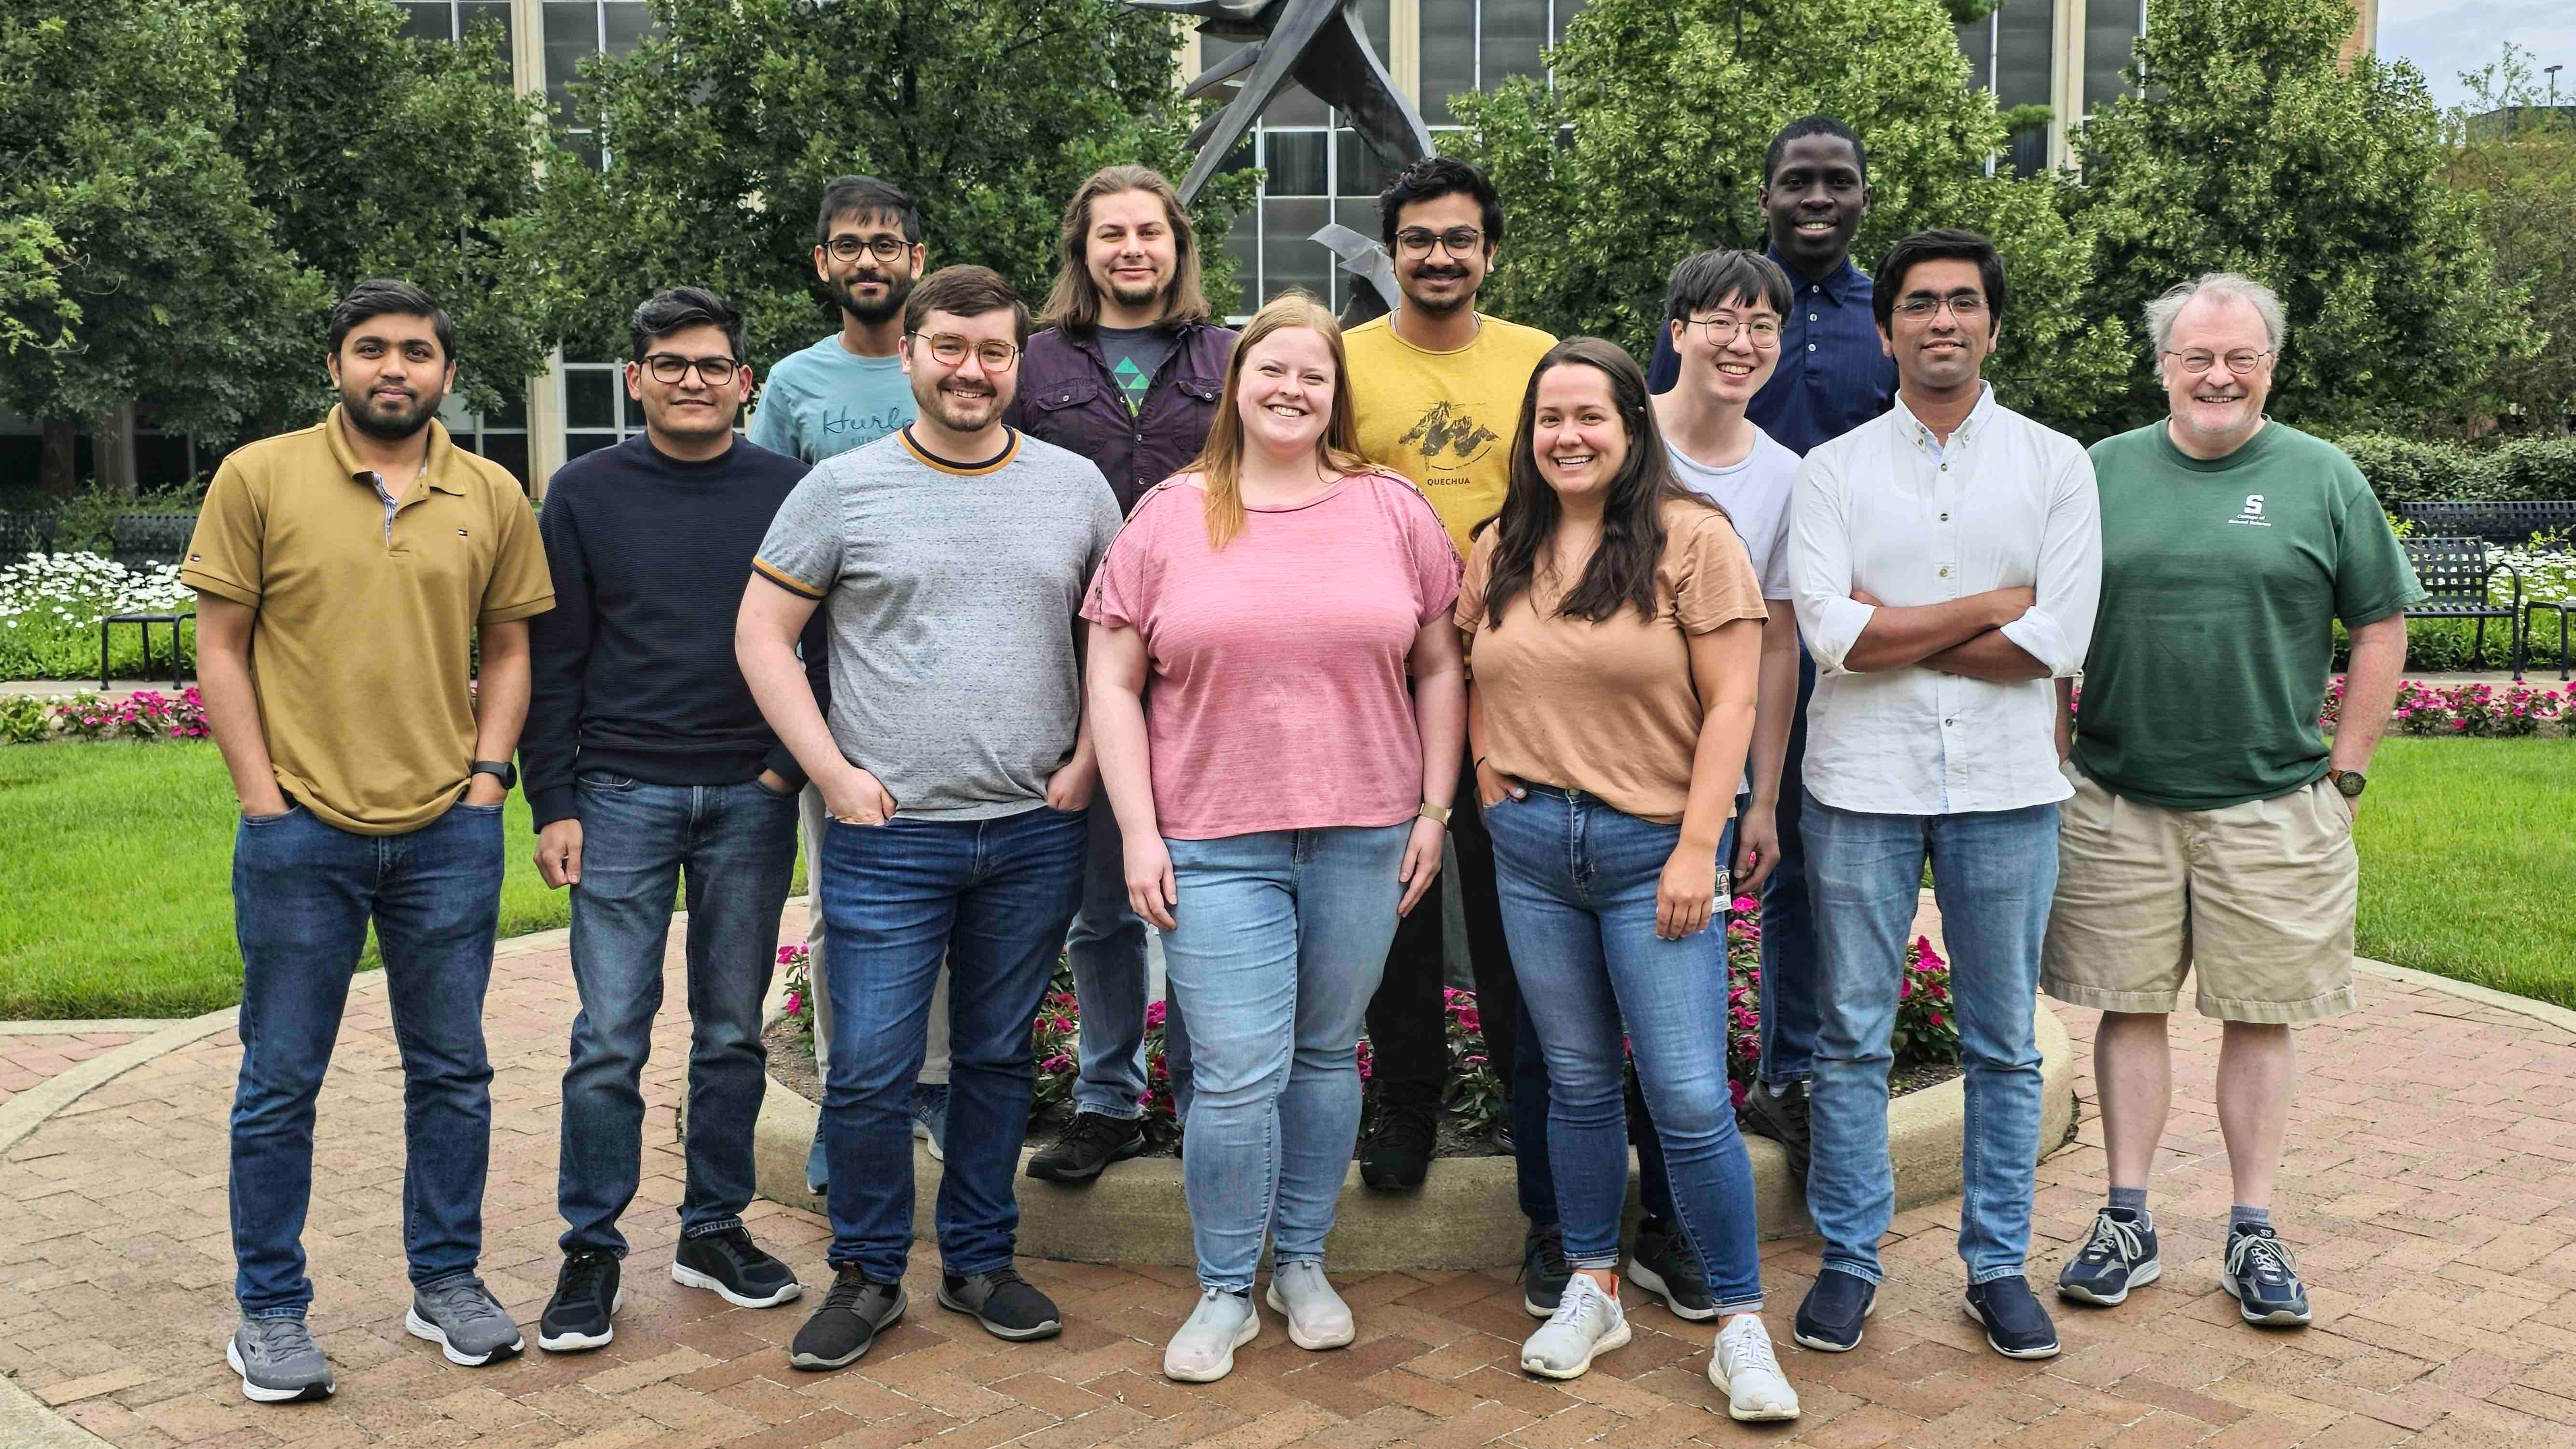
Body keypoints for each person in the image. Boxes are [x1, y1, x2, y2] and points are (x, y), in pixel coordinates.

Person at [738, 265, 1120, 1372]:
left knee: (995, 1059)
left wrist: (1088, 761)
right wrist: (830, 772)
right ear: (907, 352)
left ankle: (979, 1262)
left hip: (1032, 827)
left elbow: (1116, 639)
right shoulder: (843, 488)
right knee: (869, 1066)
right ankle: (866, 1274)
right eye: (948, 346)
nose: (970, 369)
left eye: (993, 350)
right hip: (886, 835)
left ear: (1018, 362)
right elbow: (762, 633)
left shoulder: (1075, 488)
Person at [1084, 291, 1464, 1382]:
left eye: (1313, 374)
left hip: (1363, 831)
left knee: (1324, 1053)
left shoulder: (1391, 508)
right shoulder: (1170, 513)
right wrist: (1139, 831)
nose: (1292, 389)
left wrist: (1433, 810)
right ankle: (1222, 1285)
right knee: (1237, 1070)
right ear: (1235, 384)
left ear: (1335, 393)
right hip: (1212, 839)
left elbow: (1440, 664)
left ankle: (1300, 1260)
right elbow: (1112, 680)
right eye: (1272, 369)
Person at [184, 280, 554, 1402]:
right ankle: (270, 1310)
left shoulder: (490, 491)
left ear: (448, 372)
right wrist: (262, 799)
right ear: (335, 363)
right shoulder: (259, 476)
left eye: (417, 351)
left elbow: (509, 647)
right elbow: (221, 645)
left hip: (448, 832)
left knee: (453, 1071)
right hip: (299, 832)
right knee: (280, 1079)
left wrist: (488, 780)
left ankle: (444, 1279)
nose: (395, 367)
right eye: (372, 348)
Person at [2044, 273, 2420, 1328]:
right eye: (2196, 356)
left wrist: (2345, 775)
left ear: (2270, 366)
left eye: (2240, 357)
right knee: (2127, 1006)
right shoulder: (2098, 472)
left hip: (2274, 802)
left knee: (2260, 1016)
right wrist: (2058, 757)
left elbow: (2380, 624)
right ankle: (2126, 1218)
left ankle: (2251, 1228)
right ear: (2162, 365)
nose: (2217, 375)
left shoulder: (2321, 475)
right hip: (2117, 798)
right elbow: (2047, 624)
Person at [1465, 338, 1799, 1422]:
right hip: (1532, 852)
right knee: (1573, 1080)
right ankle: (1592, 1286)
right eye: (1549, 418)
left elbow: (1734, 702)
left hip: (1652, 850)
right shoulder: (1502, 543)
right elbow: (1476, 665)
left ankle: (1739, 1322)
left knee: (1688, 1095)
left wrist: (1700, 845)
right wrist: (1484, 764)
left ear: (1630, 428)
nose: (1567, 436)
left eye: (1589, 417)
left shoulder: (1692, 538)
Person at [1787, 230, 2100, 1361]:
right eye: (1918, 304)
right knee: (1849, 1037)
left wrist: (1898, 630)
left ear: (1991, 326)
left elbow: (2056, 641)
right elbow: (1830, 636)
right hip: (1858, 787)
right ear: (1884, 331)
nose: (1940, 321)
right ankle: (1850, 1257)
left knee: (2003, 1043)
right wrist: (1988, 605)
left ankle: (1995, 1266)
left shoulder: (2054, 465)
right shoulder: (1831, 470)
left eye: (1962, 302)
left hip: (2006, 788)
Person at [523, 287, 823, 1353]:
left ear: (745, 380)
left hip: (750, 797)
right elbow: (554, 655)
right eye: (669, 363)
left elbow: (826, 638)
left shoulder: (791, 491)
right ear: (635, 378)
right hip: (619, 794)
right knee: (609, 1035)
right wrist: (553, 800)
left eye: (711, 364)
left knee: (731, 1029)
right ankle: (591, 1248)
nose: (691, 380)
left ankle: (713, 1228)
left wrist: (785, 768)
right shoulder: (584, 492)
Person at [1648, 116, 1898, 1185]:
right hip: (1674, 659)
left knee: (1792, 859)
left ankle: (1786, 1072)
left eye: (1837, 181)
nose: (1817, 197)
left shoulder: (1883, 321)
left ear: (1862, 196)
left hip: (1822, 639)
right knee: (1674, 862)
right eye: (1797, 180)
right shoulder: (1717, 307)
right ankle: (1674, 1083)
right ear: (1765, 195)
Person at [1340, 156, 1571, 1310]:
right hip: (1376, 674)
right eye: (1419, 238)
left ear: (1489, 253)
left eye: (1459, 239)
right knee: (1395, 889)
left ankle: (1528, 1089)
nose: (1439, 256)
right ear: (1391, 251)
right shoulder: (1342, 361)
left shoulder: (1536, 358)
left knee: (1508, 891)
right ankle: (1406, 1094)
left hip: (1513, 671)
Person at [1010, 164, 1237, 1183]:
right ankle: (1108, 1100)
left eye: (1150, 231)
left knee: (1204, 899)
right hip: (1075, 668)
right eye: (1111, 234)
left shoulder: (1229, 358)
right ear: (1083, 250)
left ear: (1178, 246)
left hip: (1206, 671)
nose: (1132, 249)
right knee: (1102, 905)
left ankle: (1202, 1098)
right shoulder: (1033, 364)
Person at [745, 177, 944, 1188]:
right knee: (838, 905)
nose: (870, 260)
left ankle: (937, 1087)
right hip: (837, 689)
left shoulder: (950, 363)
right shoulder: (793, 386)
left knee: (961, 904)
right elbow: (769, 546)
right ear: (822, 263)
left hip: (959, 681)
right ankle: (843, 1092)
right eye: (849, 245)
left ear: (916, 257)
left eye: (887, 242)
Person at [1618, 247, 1804, 1321]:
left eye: (1762, 326)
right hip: (1581, 772)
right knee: (1580, 1038)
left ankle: (1670, 1226)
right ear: (1678, 329)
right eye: (1720, 321)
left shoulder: (1783, 476)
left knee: (1679, 1028)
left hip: (1697, 792)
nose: (1741, 343)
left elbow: (1775, 647)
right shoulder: (1618, 430)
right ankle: (1574, 1237)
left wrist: (1760, 796)